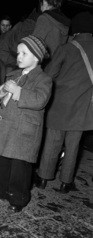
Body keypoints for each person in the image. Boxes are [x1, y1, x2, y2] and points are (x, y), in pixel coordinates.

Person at [0, 35, 52, 213]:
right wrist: (1, 89)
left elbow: (40, 100)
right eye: (18, 53)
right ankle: (0, 189)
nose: (19, 56)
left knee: (19, 169)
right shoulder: (13, 74)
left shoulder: (44, 79)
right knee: (2, 163)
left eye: (24, 53)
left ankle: (18, 197)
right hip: (6, 127)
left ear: (36, 57)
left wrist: (18, 91)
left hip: (24, 131)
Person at [34, 12, 93, 194]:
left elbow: (49, 75)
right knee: (73, 146)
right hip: (82, 108)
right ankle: (66, 182)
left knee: (53, 142)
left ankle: (43, 178)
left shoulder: (66, 48)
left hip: (59, 105)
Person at [0, 9, 40, 86]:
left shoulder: (11, 37)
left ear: (10, 26)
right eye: (3, 25)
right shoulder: (2, 39)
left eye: (7, 25)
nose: (5, 28)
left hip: (8, 73)